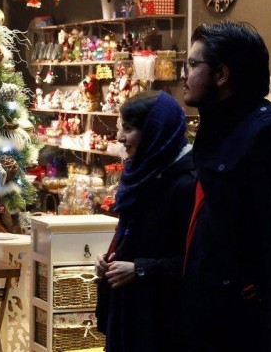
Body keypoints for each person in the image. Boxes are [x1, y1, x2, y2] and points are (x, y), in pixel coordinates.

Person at [178, 20, 271, 351]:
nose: (185, 74)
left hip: (246, 322)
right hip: (214, 312)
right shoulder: (222, 128)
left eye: (193, 64)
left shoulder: (268, 135)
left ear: (222, 75)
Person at [95, 90, 195, 352]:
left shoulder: (186, 182)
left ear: (154, 131)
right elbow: (134, 235)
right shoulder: (142, 172)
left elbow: (196, 261)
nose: (120, 138)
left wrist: (139, 269)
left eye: (128, 129)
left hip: (162, 318)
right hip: (130, 311)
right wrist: (111, 260)